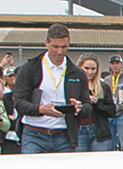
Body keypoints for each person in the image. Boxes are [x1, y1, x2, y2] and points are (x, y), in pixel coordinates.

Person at [12, 25, 87, 154]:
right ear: (46, 43)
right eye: (55, 47)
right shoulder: (29, 69)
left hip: (64, 136)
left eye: (64, 47)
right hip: (34, 134)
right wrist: (40, 109)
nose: (59, 51)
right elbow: (19, 103)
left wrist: (79, 108)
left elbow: (88, 106)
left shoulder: (77, 73)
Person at [75, 56, 113, 151]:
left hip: (99, 131)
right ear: (79, 67)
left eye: (93, 69)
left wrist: (97, 104)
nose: (90, 72)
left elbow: (112, 111)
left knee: (99, 163)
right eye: (86, 68)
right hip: (78, 131)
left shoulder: (103, 87)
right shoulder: (73, 86)